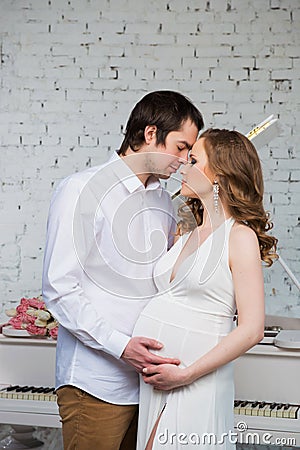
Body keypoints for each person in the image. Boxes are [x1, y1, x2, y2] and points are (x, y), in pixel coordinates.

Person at [42, 90, 204, 450]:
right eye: (180, 147)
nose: (183, 160)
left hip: (149, 384)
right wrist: (121, 348)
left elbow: (160, 284)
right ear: (149, 134)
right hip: (95, 383)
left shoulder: (163, 200)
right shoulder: (80, 190)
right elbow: (59, 290)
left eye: (189, 152)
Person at [133, 128, 278, 449]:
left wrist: (186, 375)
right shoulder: (187, 234)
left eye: (194, 160)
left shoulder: (239, 236)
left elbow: (252, 329)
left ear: (219, 176)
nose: (183, 165)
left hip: (195, 381)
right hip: (158, 384)